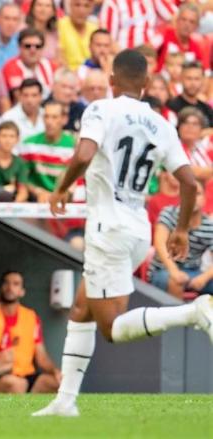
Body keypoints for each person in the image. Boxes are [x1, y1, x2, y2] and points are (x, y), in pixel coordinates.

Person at [34, 49, 211, 417]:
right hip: (137, 228)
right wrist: (179, 229)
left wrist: (62, 187)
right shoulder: (161, 123)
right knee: (81, 308)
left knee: (112, 328)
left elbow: (83, 154)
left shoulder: (101, 108)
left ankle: (193, 313)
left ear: (112, 81)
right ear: (147, 84)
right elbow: (191, 183)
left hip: (107, 227)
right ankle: (65, 401)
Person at [0, 271, 61, 394]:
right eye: (6, 283)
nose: (10, 287)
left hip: (27, 375)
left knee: (59, 383)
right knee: (15, 384)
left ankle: (29, 406)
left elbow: (41, 357)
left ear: (22, 291)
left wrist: (55, 371)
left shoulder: (31, 316)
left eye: (16, 284)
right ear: (1, 288)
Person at [150, 183, 213, 298]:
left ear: (204, 198)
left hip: (194, 272)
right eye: (188, 194)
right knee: (176, 282)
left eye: (197, 194)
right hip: (163, 269)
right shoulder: (169, 213)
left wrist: (203, 278)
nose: (192, 198)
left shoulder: (209, 226)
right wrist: (174, 271)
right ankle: (176, 315)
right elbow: (159, 244)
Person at [19, 100, 76, 203]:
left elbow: (77, 179)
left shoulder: (74, 145)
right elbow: (21, 176)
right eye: (46, 116)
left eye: (54, 117)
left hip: (66, 201)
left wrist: (61, 194)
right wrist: (38, 191)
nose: (49, 122)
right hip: (36, 201)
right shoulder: (29, 144)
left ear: (64, 119)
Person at [2, 28, 55, 101]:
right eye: (27, 46)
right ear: (19, 47)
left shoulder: (48, 65)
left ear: (43, 48)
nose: (33, 50)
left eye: (37, 46)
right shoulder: (11, 66)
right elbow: (21, 99)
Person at [99, 0, 176, 50]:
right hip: (125, 55)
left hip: (154, 52)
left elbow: (176, 18)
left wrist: (156, 40)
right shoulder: (112, 3)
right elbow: (108, 39)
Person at [157, 3, 206, 71]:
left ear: (196, 26)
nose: (187, 25)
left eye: (191, 22)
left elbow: (202, 71)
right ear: (177, 20)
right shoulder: (163, 35)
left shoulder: (195, 48)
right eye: (183, 19)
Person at [1, 78, 45, 145]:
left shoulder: (47, 116)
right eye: (26, 95)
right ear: (20, 96)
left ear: (41, 97)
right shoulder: (8, 118)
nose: (29, 100)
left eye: (34, 95)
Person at [167, 62, 212, 127]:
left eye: (197, 79)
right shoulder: (171, 106)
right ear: (181, 79)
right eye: (189, 78)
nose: (193, 83)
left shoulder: (207, 108)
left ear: (202, 80)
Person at [57, 0, 97, 71]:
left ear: (91, 9)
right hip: (67, 75)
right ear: (70, 6)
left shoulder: (95, 28)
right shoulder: (59, 26)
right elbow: (59, 58)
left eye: (86, 6)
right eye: (77, 5)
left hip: (92, 75)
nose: (81, 10)